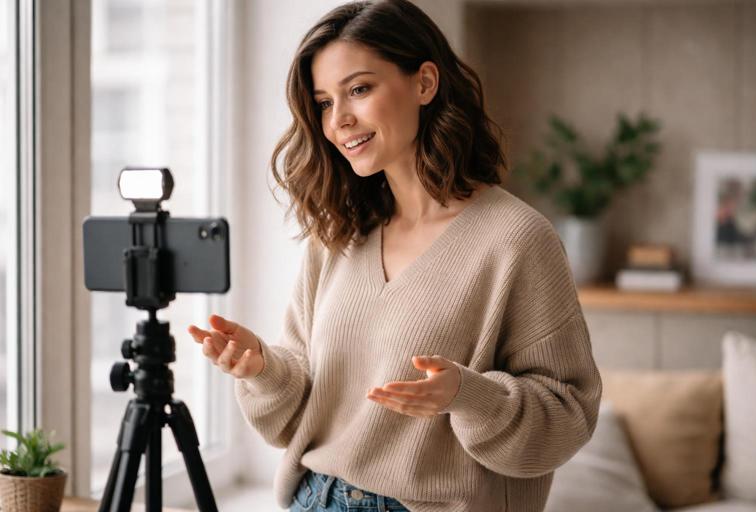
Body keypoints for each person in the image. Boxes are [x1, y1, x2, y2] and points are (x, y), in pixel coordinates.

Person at [187, 1, 602, 510]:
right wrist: (263, 370)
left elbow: (569, 414)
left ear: (425, 83)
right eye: (322, 102)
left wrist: (467, 395)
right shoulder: (338, 233)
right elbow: (304, 412)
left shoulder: (516, 239)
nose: (338, 120)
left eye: (359, 89)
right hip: (314, 498)